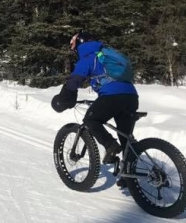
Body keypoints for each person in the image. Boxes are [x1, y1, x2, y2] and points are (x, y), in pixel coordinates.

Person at [51, 31, 139, 165]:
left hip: (112, 96)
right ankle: (130, 175)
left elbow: (74, 80)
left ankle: (110, 145)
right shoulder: (105, 53)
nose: (73, 50)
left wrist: (64, 99)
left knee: (91, 119)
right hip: (132, 96)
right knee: (125, 136)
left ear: (79, 44)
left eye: (73, 46)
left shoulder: (89, 57)